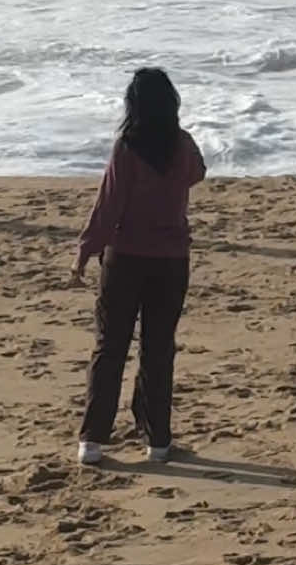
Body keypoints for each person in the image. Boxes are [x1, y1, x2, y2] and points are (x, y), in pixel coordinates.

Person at [74, 67, 206, 465]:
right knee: (158, 349)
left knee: (110, 347)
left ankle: (93, 440)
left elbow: (108, 204)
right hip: (171, 260)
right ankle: (157, 440)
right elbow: (198, 173)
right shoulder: (183, 145)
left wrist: (85, 250)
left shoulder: (127, 147)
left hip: (125, 258)